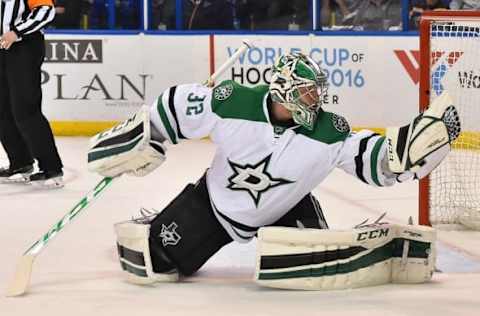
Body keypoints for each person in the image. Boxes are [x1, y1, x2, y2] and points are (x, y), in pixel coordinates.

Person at [87, 52, 460, 288]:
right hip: (214, 208)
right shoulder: (233, 102)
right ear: (283, 91)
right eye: (307, 92)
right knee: (153, 263)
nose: (315, 100)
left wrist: (415, 148)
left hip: (288, 206)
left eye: (316, 92)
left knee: (315, 271)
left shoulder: (331, 130)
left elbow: (378, 160)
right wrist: (141, 138)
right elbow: (173, 107)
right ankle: (161, 223)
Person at [0, 0, 64, 188]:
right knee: (3, 109)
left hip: (24, 48)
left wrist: (17, 31)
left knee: (25, 108)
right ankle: (20, 163)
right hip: (2, 48)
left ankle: (51, 168)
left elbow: (45, 11)